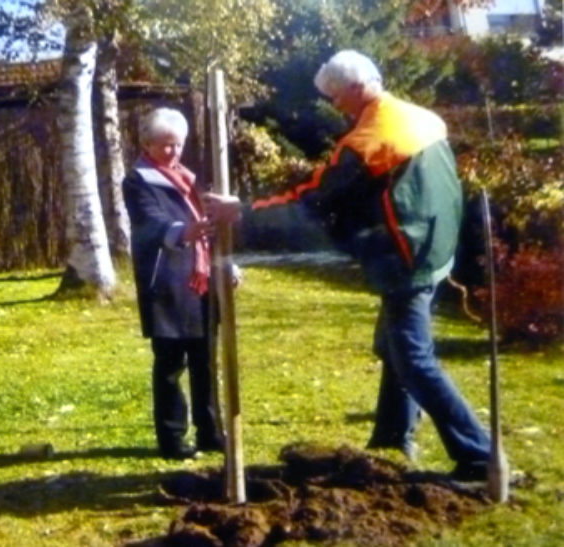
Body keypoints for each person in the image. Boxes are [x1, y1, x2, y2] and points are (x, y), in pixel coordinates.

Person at [206, 50, 491, 480]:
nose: (336, 106)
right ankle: (393, 437)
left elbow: (315, 198)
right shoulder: (420, 118)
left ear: (357, 88)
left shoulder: (368, 140)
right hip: (434, 248)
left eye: (337, 96)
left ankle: (479, 454)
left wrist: (242, 211)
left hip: (407, 257)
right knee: (395, 347)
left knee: (413, 357)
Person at [123, 107, 224, 460]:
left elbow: (209, 228)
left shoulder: (189, 178)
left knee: (205, 360)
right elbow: (149, 224)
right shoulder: (137, 180)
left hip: (200, 280)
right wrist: (183, 232)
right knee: (170, 364)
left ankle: (211, 433)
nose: (173, 152)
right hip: (165, 282)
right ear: (147, 144)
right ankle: (172, 438)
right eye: (165, 145)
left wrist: (225, 265)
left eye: (178, 145)